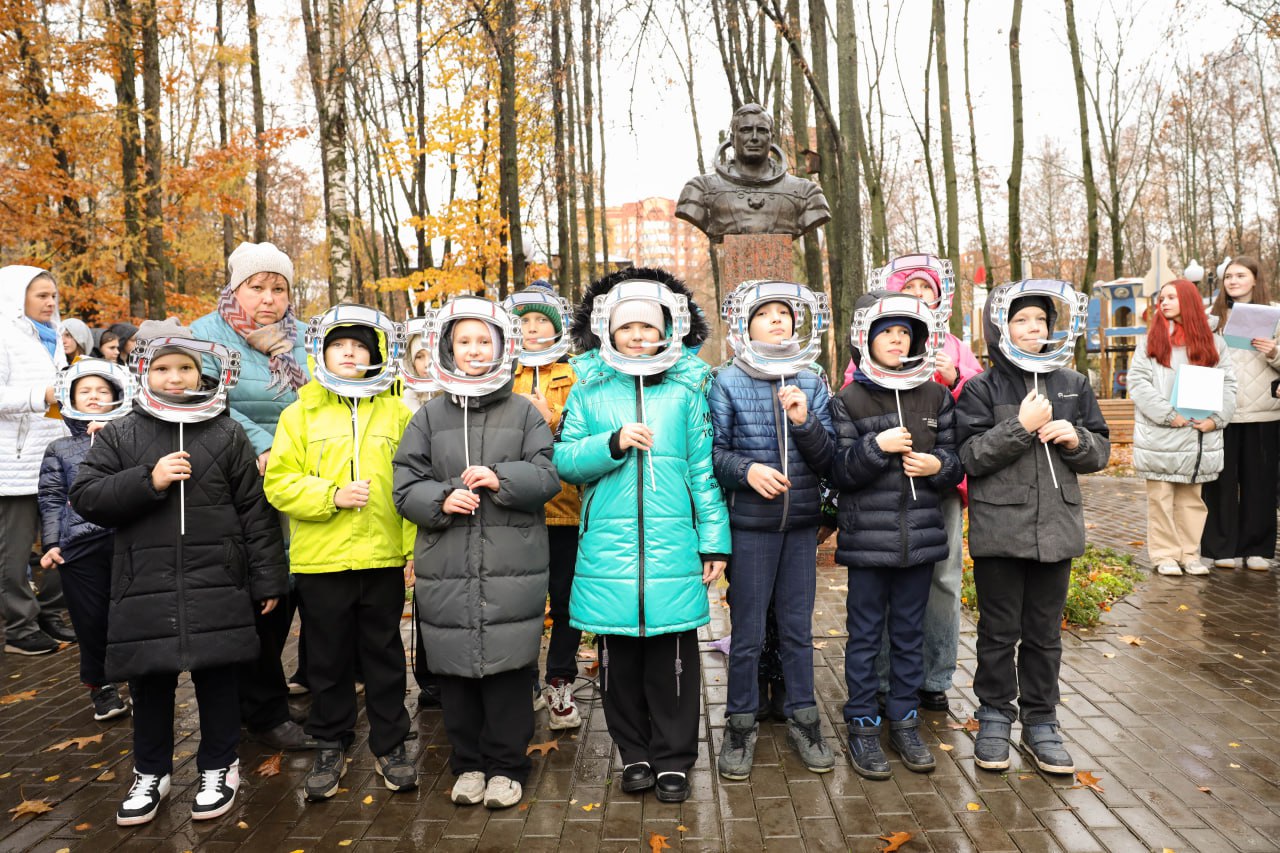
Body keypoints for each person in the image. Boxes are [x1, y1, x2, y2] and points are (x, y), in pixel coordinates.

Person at [69, 318, 288, 826]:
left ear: (202, 372)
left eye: (185, 368)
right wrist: (149, 479)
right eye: (163, 368)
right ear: (143, 371)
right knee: (150, 683)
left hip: (218, 580)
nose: (175, 377)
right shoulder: (121, 433)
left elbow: (254, 512)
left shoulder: (227, 433)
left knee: (218, 679)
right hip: (145, 583)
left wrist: (267, 577)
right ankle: (150, 772)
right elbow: (86, 496)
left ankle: (219, 765)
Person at [554, 269, 731, 804]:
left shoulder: (685, 392)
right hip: (608, 552)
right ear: (608, 331)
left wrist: (714, 541)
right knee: (618, 662)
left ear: (666, 332)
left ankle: (674, 759)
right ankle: (633, 754)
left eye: (647, 327)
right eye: (626, 327)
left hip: (672, 547)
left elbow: (703, 472)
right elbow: (565, 461)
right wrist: (611, 443)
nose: (637, 336)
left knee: (673, 660)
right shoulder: (589, 389)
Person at [393, 299, 561, 810]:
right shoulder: (428, 416)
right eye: (464, 341)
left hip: (512, 568)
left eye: (484, 341)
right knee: (456, 674)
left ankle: (507, 766)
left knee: (508, 673)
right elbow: (405, 485)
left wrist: (500, 477)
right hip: (447, 567)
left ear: (502, 347)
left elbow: (547, 476)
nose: (474, 350)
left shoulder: (524, 412)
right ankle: (467, 764)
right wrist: (441, 498)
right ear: (448, 349)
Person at [957, 283, 1110, 776]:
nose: (1033, 329)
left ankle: (1042, 721)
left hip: (1057, 530)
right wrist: (1019, 426)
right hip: (1001, 531)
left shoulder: (1073, 384)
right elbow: (969, 457)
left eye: (1040, 321)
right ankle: (994, 715)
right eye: (1021, 320)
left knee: (1045, 635)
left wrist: (1076, 438)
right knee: (998, 632)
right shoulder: (982, 388)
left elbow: (1100, 450)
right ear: (1001, 327)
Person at [265, 319, 418, 801]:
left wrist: (412, 550)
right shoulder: (300, 414)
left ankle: (391, 743)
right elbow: (279, 483)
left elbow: (412, 483)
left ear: (376, 356)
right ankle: (331, 742)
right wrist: (331, 495)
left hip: (382, 556)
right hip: (322, 560)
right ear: (321, 355)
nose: (349, 353)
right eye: (340, 346)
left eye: (359, 346)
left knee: (384, 654)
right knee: (327, 658)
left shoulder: (398, 411)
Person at [830, 292, 962, 780]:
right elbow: (840, 471)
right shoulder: (848, 399)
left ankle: (904, 719)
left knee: (909, 635)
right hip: (869, 543)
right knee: (866, 636)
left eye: (905, 332)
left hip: (920, 541)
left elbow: (955, 461)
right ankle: (863, 722)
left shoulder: (936, 396)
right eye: (886, 332)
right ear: (866, 339)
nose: (896, 340)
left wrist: (936, 466)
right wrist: (876, 446)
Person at [843, 259, 983, 714]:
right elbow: (852, 403)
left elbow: (972, 412)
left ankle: (934, 677)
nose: (921, 294)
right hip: (879, 501)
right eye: (912, 286)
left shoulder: (954, 347)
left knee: (941, 583)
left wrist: (954, 380)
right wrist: (877, 445)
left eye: (928, 288)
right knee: (883, 597)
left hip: (935, 495)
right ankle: (882, 682)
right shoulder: (870, 349)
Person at [709, 285, 836, 780]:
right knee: (748, 634)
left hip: (800, 527)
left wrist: (804, 421)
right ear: (746, 326)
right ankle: (740, 725)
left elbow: (828, 459)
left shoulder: (811, 380)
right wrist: (748, 472)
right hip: (751, 529)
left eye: (785, 313)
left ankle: (805, 720)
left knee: (798, 631)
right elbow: (714, 453)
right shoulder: (727, 381)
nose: (778, 320)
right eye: (766, 314)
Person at [191, 241, 313, 750]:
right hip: (239, 475)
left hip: (299, 474)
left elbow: (318, 396)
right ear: (234, 289)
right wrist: (265, 446)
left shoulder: (302, 337)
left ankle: (264, 696)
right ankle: (261, 711)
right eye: (256, 286)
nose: (268, 298)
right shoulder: (204, 334)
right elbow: (209, 397)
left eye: (278, 288)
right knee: (257, 592)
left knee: (290, 585)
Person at [507, 280, 585, 728]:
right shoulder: (502, 373)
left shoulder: (575, 376)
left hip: (566, 509)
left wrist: (553, 420)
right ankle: (523, 681)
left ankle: (559, 680)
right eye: (525, 321)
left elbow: (586, 435)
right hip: (517, 512)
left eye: (542, 320)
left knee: (566, 600)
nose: (533, 328)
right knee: (522, 602)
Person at [38, 361, 132, 721]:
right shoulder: (59, 448)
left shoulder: (134, 438)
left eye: (102, 391)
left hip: (127, 540)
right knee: (90, 620)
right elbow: (51, 498)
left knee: (131, 615)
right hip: (79, 547)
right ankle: (101, 686)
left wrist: (117, 436)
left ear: (117, 397)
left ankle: (142, 680)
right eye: (85, 391)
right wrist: (52, 542)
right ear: (71, 399)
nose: (94, 397)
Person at [1129, 279, 1237, 576]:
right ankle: (1164, 555)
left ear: (1188, 301)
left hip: (1198, 435)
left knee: (1192, 500)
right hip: (1161, 434)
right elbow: (1138, 384)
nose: (1163, 303)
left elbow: (1228, 384)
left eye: (1171, 297)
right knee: (1161, 499)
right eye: (1161, 298)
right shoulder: (1150, 341)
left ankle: (1190, 554)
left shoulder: (1215, 343)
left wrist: (1216, 419)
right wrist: (1168, 415)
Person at [0, 265, 74, 656]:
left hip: (53, 459)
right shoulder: (3, 335)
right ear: (17, 297)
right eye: (41, 295)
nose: (50, 303)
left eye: (53, 296)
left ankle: (49, 613)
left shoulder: (52, 337)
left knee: (64, 541)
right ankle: (19, 628)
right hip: (14, 465)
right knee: (14, 554)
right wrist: (39, 395)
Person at [1202, 257, 1280, 571]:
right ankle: (1221, 549)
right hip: (1222, 413)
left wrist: (1273, 351)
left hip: (1264, 414)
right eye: (1229, 277)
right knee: (1219, 484)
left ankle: (1257, 549)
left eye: (1240, 275)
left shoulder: (1275, 314)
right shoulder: (1211, 317)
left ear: (1255, 279)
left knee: (1260, 484)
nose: (1233, 281)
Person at [676, 103, 830, 241]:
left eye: (762, 131)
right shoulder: (700, 189)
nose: (754, 137)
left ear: (771, 139)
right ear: (732, 139)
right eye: (746, 130)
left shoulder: (807, 193)